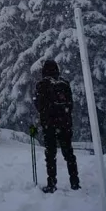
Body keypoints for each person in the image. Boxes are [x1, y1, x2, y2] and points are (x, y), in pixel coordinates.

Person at [34, 60, 81, 192]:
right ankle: (75, 182)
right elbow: (70, 104)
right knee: (69, 153)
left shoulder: (41, 85)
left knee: (50, 155)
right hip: (65, 124)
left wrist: (47, 115)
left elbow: (38, 105)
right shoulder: (64, 84)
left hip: (49, 125)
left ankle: (52, 183)